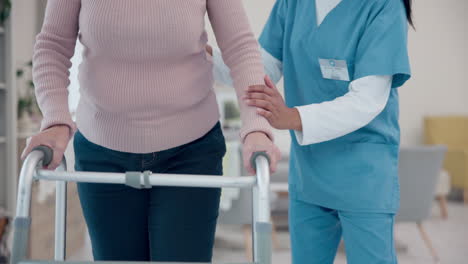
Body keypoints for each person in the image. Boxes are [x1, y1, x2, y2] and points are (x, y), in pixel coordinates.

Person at [21, 0, 280, 262]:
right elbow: (52, 46)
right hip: (102, 153)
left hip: (190, 152)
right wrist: (56, 120)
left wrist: (255, 126)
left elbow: (240, 48)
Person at [209, 0, 412, 263]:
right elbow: (259, 70)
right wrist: (205, 57)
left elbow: (367, 100)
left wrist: (293, 117)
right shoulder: (293, 4)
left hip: (363, 173)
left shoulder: (382, 6)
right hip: (309, 170)